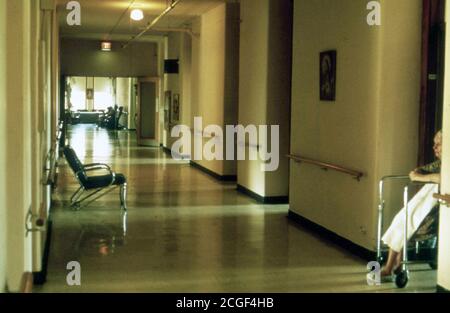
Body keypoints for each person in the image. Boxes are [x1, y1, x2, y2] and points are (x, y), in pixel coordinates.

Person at [368, 130, 442, 283]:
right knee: (400, 220)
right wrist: (418, 174)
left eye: (438, 144)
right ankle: (396, 265)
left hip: (434, 210)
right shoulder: (441, 162)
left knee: (405, 224)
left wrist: (420, 177)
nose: (434, 147)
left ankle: (390, 268)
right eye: (434, 144)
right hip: (424, 203)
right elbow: (418, 171)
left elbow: (442, 178)